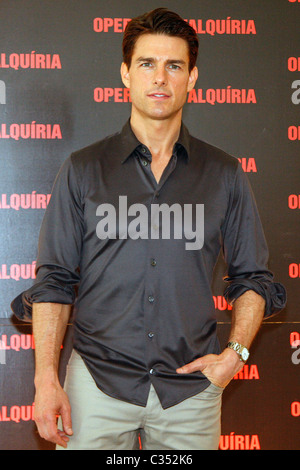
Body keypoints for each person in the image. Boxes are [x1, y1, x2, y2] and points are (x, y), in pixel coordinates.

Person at [11, 8, 286, 451]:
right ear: (125, 74)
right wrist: (46, 380)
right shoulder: (83, 170)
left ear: (192, 78)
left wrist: (234, 357)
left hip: (191, 391)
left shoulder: (225, 174)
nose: (160, 77)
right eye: (147, 64)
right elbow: (55, 283)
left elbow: (253, 277)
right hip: (96, 385)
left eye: (174, 65)